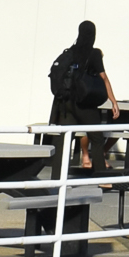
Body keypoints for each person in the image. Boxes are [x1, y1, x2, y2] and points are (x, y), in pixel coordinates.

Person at [50, 20, 118, 170]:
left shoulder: (69, 52)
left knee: (63, 140)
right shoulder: (94, 54)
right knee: (97, 139)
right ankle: (101, 176)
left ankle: (56, 178)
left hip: (65, 102)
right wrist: (113, 101)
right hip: (84, 102)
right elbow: (104, 78)